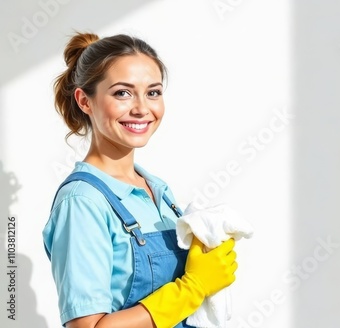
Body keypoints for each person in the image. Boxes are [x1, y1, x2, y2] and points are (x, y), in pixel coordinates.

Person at [42, 32, 238, 328]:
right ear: (84, 101)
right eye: (122, 93)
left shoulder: (157, 189)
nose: (142, 108)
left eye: (153, 92)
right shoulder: (83, 202)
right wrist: (193, 287)